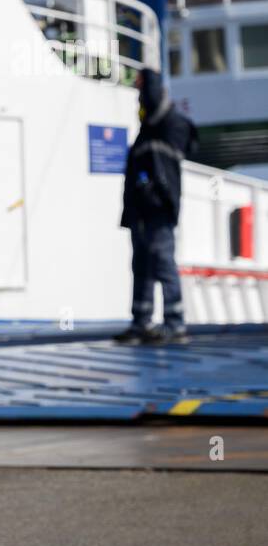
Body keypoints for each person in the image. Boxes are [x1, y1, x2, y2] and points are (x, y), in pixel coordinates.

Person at [113, 68, 199, 345]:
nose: (138, 99)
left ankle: (175, 324)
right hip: (141, 212)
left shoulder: (168, 126)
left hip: (159, 211)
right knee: (142, 266)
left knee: (162, 263)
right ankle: (141, 323)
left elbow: (162, 169)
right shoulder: (148, 131)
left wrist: (153, 194)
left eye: (140, 91)